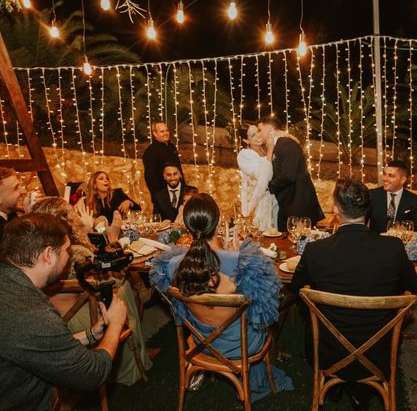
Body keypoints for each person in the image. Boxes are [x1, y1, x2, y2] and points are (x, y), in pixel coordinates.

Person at [0, 213, 127, 410]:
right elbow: (92, 374)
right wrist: (115, 325)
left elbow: (29, 346)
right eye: (67, 251)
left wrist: (91, 335)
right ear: (48, 254)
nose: (69, 257)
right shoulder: (28, 311)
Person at [149, 193, 293, 401]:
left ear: (186, 225)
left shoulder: (170, 265)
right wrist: (236, 258)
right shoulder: (241, 261)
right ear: (217, 223)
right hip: (242, 346)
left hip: (201, 341)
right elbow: (267, 307)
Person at [291, 178, 417, 409]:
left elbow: (296, 290)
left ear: (337, 210)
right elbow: (413, 288)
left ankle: (336, 382)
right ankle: (360, 391)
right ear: (368, 209)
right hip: (378, 353)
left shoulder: (316, 250)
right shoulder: (393, 248)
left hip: (327, 352)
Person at [31, 197, 152, 386]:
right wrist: (113, 237)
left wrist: (87, 233)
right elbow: (114, 276)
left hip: (52, 317)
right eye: (72, 212)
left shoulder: (36, 253)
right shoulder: (75, 252)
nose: (77, 215)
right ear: (67, 220)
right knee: (123, 287)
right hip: (82, 317)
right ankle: (132, 363)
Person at [257, 115, 324, 232]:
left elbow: (288, 175)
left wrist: (269, 186)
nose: (259, 134)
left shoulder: (287, 144)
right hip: (289, 203)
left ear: (269, 129)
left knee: (299, 242)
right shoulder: (277, 145)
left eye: (260, 130)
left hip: (298, 205)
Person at [237, 124, 278, 232]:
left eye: (258, 131)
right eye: (253, 135)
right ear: (246, 140)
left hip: (276, 199)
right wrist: (270, 150)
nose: (258, 136)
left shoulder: (269, 147)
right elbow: (264, 175)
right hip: (258, 204)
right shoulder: (244, 155)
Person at [368, 160, 417, 237]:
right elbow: (361, 223)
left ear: (402, 180)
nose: (385, 178)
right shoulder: (372, 195)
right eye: (385, 174)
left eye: (391, 176)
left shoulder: (414, 200)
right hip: (375, 244)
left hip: (401, 246)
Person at [142, 121, 184, 203]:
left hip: (178, 193)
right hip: (163, 197)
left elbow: (179, 170)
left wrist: (183, 190)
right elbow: (151, 178)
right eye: (162, 131)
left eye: (167, 130)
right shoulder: (151, 152)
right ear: (154, 133)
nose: (166, 133)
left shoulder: (172, 147)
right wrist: (159, 198)